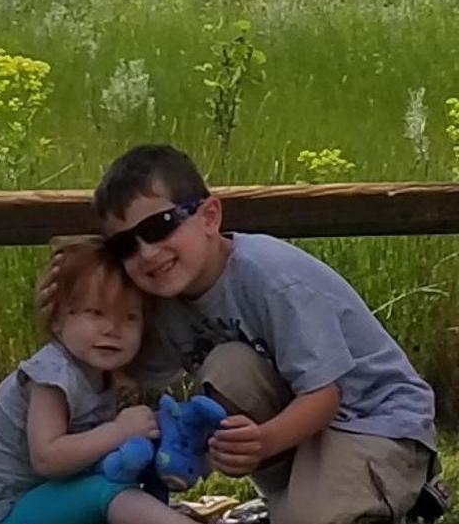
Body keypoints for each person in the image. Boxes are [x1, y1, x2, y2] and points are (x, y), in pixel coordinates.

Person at [90, 144, 440, 524]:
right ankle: (293, 498)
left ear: (209, 216)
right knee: (228, 365)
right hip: (308, 427)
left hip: (375, 423)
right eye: (124, 246)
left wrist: (263, 442)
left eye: (160, 227)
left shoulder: (272, 280)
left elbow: (325, 395)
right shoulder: (162, 300)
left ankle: (406, 496)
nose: (146, 253)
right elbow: (121, 377)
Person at [0, 239, 186, 524]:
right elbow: (47, 458)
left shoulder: (105, 372)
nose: (113, 329)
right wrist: (119, 431)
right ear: (57, 320)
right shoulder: (51, 374)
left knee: (136, 473)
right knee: (109, 493)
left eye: (130, 317)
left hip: (47, 498)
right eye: (96, 312)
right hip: (4, 512)